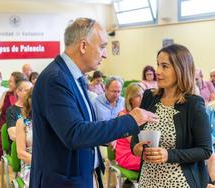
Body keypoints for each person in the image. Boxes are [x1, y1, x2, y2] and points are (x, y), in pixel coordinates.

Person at [30, 17, 158, 188]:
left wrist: (105, 137)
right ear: (83, 46)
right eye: (102, 47)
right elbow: (74, 134)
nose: (105, 54)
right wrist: (130, 120)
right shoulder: (56, 79)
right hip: (62, 181)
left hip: (80, 175)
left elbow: (81, 125)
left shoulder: (72, 76)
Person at [131, 44, 212, 187]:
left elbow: (205, 150)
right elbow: (136, 134)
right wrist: (136, 148)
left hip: (178, 180)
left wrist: (169, 155)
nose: (158, 71)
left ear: (180, 69)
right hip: (147, 180)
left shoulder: (193, 104)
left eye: (164, 66)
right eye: (158, 65)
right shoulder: (149, 97)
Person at [0, 72, 27, 161]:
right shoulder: (6, 94)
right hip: (5, 127)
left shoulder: (27, 99)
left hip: (23, 128)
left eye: (11, 81)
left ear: (17, 84)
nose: (8, 83)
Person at [115, 83, 144, 171]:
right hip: (127, 154)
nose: (142, 98)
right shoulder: (123, 115)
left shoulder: (143, 113)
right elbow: (134, 141)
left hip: (140, 151)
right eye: (138, 96)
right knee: (153, 163)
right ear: (130, 99)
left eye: (143, 95)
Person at [16, 88, 33, 188]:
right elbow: (21, 153)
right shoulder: (22, 122)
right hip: (31, 163)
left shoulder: (52, 121)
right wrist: (42, 163)